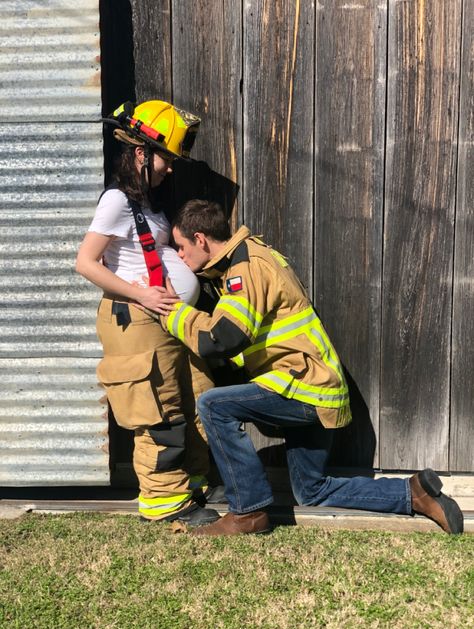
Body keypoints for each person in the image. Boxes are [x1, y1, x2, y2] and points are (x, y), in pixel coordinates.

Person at [150, 199, 464, 536]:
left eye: (180, 248)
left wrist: (173, 315)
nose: (179, 257)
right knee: (311, 491)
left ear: (200, 238)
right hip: (314, 386)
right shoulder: (250, 258)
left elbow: (223, 339)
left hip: (304, 386)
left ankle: (248, 512)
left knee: (213, 406)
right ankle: (413, 493)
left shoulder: (245, 267)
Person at [76, 101, 221, 526]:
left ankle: (191, 484)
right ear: (141, 153)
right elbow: (85, 262)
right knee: (159, 411)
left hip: (166, 323)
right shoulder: (117, 200)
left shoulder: (144, 203)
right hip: (137, 322)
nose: (170, 169)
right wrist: (141, 295)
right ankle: (163, 502)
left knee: (196, 396)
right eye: (165, 159)